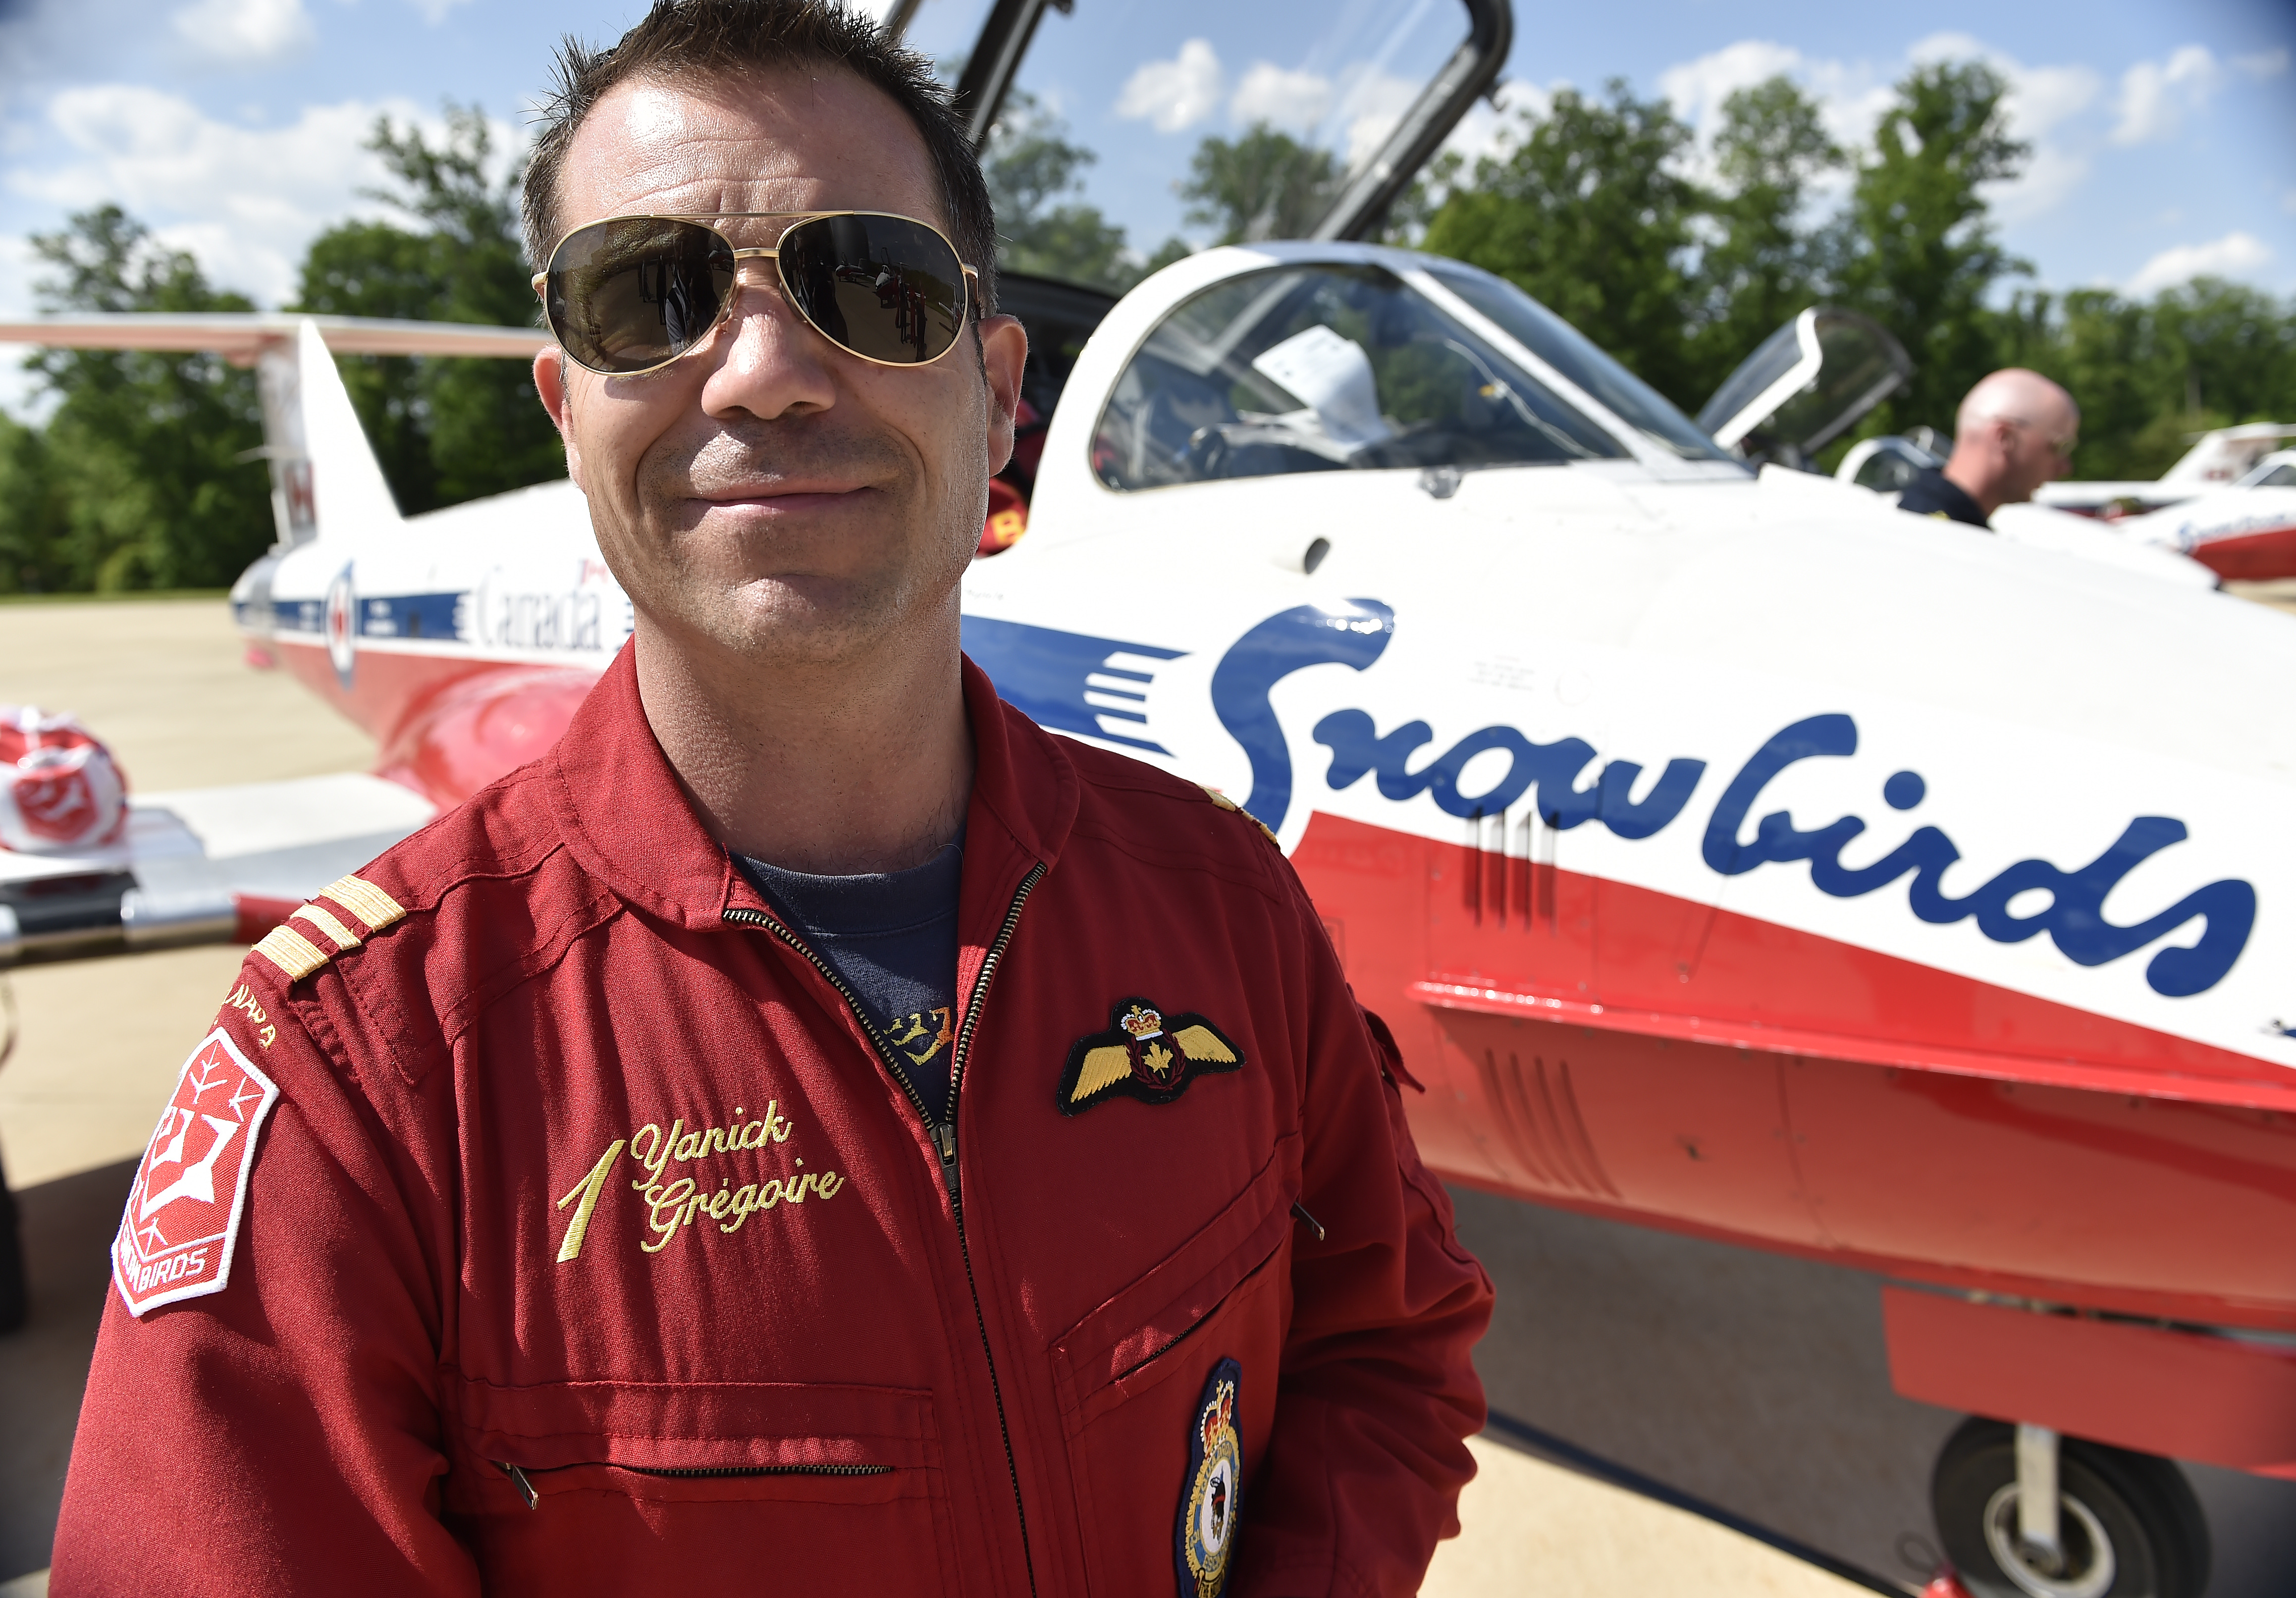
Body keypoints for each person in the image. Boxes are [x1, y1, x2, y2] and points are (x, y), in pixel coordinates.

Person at [49, 3, 1494, 1594]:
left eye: (873, 285)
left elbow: (1388, 1351)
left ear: (1002, 392)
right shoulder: (362, 1068)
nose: (765, 373)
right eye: (643, 298)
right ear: (565, 407)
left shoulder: (1222, 902)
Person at [1897, 367, 2081, 529]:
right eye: (2058, 447)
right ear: (2005, 438)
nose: (2065, 467)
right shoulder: (1937, 537)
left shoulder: (1934, 523)